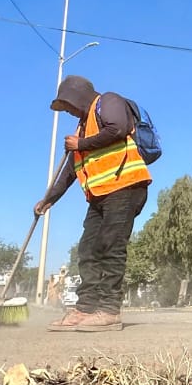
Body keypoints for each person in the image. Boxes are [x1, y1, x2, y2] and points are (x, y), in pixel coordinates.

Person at [35, 75, 151, 332]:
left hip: (126, 186)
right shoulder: (80, 128)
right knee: (88, 249)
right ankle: (86, 308)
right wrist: (48, 199)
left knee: (111, 246)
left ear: (77, 96)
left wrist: (82, 143)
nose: (68, 111)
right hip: (100, 195)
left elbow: (118, 128)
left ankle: (109, 310)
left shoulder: (108, 101)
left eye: (68, 105)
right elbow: (69, 171)